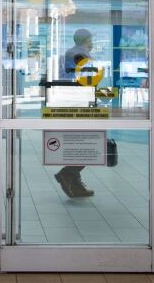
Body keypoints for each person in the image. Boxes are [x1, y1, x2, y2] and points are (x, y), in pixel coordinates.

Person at [54, 28, 95, 198]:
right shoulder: (82, 54)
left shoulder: (69, 52)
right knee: (89, 142)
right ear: (86, 39)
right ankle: (68, 172)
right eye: (91, 38)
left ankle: (74, 181)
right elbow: (86, 79)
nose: (92, 41)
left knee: (82, 141)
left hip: (68, 99)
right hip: (79, 101)